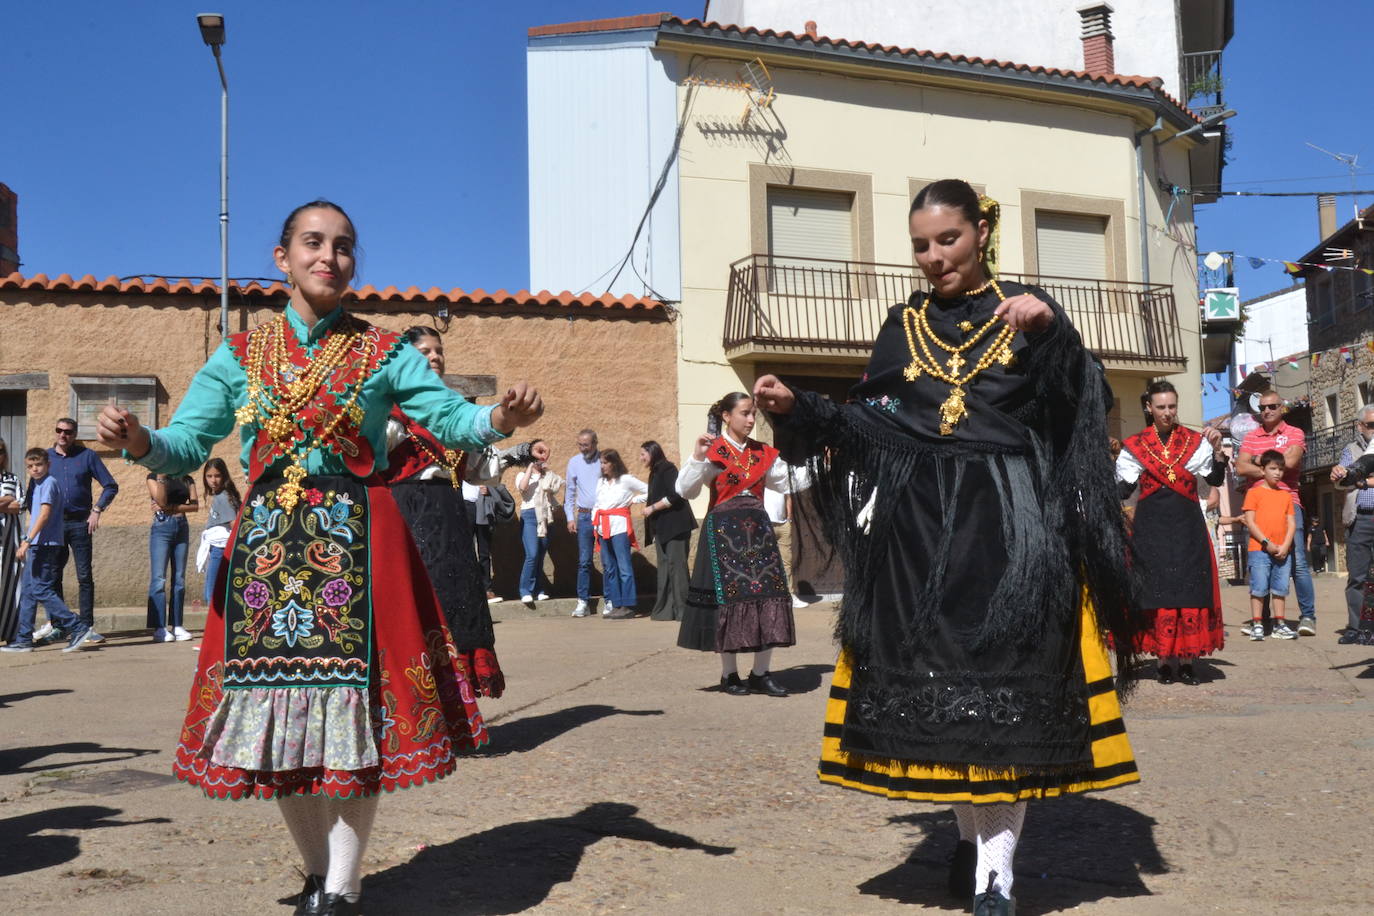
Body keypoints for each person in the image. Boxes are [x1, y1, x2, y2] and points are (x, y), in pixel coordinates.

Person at [93, 200, 543, 916]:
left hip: (355, 543)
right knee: (279, 719)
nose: (329, 256)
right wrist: (140, 440)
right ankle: (314, 872)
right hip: (267, 550)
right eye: (313, 243)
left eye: (343, 246)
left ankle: (342, 885)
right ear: (282, 258)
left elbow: (451, 419)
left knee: (350, 717)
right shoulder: (239, 356)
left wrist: (499, 419)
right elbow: (187, 440)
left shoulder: (384, 351)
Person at [751, 180, 1140, 915]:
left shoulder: (1027, 309)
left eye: (948, 240)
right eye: (921, 245)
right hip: (920, 539)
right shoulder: (903, 324)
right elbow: (876, 419)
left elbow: (1078, 405)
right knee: (950, 714)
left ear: (981, 232)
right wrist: (799, 407)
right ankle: (971, 845)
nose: (933, 257)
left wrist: (1052, 332)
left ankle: (998, 876)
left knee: (1004, 710)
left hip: (1010, 532)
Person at [383, 325, 539, 698]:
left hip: (451, 517)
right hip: (407, 514)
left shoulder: (456, 412)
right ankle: (412, 710)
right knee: (417, 609)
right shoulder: (389, 410)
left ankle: (455, 712)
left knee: (457, 605)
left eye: (439, 351)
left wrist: (517, 449)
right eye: (425, 352)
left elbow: (480, 468)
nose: (435, 357)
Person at [676, 392, 804, 698]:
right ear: (726, 416)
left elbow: (790, 482)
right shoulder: (713, 451)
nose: (750, 420)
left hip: (758, 532)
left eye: (752, 413)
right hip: (722, 534)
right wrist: (697, 456)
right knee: (728, 604)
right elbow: (684, 490)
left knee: (770, 597)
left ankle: (761, 673)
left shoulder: (763, 453)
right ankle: (729, 675)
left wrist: (820, 465)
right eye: (745, 413)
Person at [1115, 380, 1227, 685]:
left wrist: (1217, 451)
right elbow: (1122, 489)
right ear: (1149, 408)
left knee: (1189, 590)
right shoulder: (1135, 445)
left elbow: (1214, 478)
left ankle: (1188, 662)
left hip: (1187, 525)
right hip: (1151, 529)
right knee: (1157, 593)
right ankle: (1164, 662)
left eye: (1172, 406)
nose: (1167, 412)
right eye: (1161, 407)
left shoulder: (1196, 441)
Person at [1235, 390, 1316, 636]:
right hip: (1257, 507)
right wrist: (1270, 469)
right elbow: (1240, 466)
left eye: (1272, 406)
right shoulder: (1251, 436)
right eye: (1262, 408)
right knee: (1261, 563)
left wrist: (1258, 461)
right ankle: (1265, 620)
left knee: (1298, 563)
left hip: (1287, 503)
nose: (1267, 411)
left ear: (1282, 408)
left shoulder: (1294, 433)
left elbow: (1291, 463)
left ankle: (1307, 617)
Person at [1, 448, 95, 653]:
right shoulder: (37, 483)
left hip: (46, 545)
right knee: (28, 592)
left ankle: (77, 626)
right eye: (31, 466)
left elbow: (44, 514)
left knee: (41, 589)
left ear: (48, 465)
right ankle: (24, 638)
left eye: (39, 465)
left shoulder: (50, 483)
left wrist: (27, 540)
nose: (35, 469)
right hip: (37, 545)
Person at [41, 418, 119, 645]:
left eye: (68, 432)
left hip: (80, 523)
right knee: (53, 576)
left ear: (75, 434)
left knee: (84, 576)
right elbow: (36, 488)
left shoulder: (87, 456)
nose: (63, 435)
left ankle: (86, 627)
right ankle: (59, 626)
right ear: (55, 432)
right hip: (53, 525)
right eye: (59, 430)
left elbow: (110, 485)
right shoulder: (46, 458)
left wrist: (97, 510)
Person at [1242, 450, 1298, 641]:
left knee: (1281, 589)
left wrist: (1285, 545)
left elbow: (1291, 523)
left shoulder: (1286, 495)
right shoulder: (1253, 493)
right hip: (1259, 550)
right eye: (1273, 468)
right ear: (1263, 469)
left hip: (1283, 551)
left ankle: (1280, 624)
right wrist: (1267, 543)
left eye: (1280, 469)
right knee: (1258, 588)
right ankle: (1257, 624)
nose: (1277, 473)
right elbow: (1250, 522)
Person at [640, 441, 695, 621]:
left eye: (643, 454)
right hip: (662, 529)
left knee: (677, 567)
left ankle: (684, 611)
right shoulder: (655, 473)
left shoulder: (668, 469)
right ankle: (666, 610)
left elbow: (676, 495)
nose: (641, 459)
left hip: (676, 527)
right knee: (665, 568)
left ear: (652, 452)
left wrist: (652, 508)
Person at [1333, 405, 1374, 643]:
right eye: (1371, 425)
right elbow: (1343, 481)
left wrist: (1360, 480)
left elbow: (1356, 479)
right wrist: (1340, 474)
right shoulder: (1350, 450)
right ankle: (1356, 628)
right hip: (1359, 518)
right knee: (1357, 577)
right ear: (1360, 426)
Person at [593, 448, 647, 619]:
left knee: (624, 566)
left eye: (605, 463)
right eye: (600, 463)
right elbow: (597, 503)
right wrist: (595, 524)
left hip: (619, 527)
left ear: (614, 463)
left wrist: (634, 500)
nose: (602, 466)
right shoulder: (601, 482)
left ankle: (628, 604)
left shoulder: (625, 480)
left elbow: (649, 490)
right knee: (609, 567)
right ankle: (616, 604)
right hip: (603, 527)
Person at [146, 472, 199, 642]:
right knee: (159, 578)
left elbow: (195, 505)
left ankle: (177, 625)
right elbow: (161, 501)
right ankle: (159, 627)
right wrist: (161, 476)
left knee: (179, 579)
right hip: (162, 528)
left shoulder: (186, 477)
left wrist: (171, 508)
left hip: (182, 526)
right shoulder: (153, 477)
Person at [515, 439, 562, 606]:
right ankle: (525, 590)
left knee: (541, 555)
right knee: (532, 554)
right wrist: (530, 467)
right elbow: (523, 487)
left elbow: (556, 487)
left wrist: (547, 472)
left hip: (545, 517)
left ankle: (538, 589)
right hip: (529, 516)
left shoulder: (546, 476)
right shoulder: (522, 474)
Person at [565, 429, 601, 616]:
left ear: (595, 443)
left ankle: (611, 600)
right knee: (584, 561)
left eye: (586, 445)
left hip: (604, 515)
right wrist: (570, 517)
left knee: (608, 560)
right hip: (585, 517)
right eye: (580, 444)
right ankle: (583, 602)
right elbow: (570, 492)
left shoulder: (605, 459)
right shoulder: (574, 462)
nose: (582, 448)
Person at [197, 457, 242, 609]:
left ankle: (214, 631)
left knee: (212, 593)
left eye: (217, 476)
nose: (213, 480)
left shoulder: (223, 498)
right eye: (209, 476)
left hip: (221, 549)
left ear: (224, 476)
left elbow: (234, 525)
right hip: (219, 549)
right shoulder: (224, 495)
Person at [763, 467, 810, 610]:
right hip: (765, 523)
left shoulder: (782, 479)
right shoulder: (761, 476)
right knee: (765, 562)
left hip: (783, 524)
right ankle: (767, 596)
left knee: (786, 562)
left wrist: (789, 519)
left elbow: (788, 497)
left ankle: (789, 596)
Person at [0, 438, 24, 644]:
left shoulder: (10, 477)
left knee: (9, 586)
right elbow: (8, 501)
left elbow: (19, 504)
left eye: (0, 451)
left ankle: (7, 632)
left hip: (7, 542)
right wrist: (6, 501)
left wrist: (9, 501)